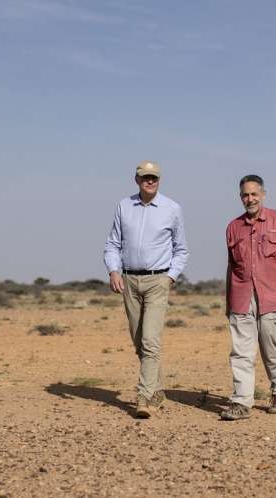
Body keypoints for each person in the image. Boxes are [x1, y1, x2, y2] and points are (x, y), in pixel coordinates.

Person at [104, 161, 189, 418]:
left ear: (159, 180)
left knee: (151, 340)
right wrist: (114, 270)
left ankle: (143, 396)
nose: (149, 181)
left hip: (157, 281)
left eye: (153, 177)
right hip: (129, 281)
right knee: (140, 343)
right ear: (136, 179)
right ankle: (157, 389)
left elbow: (181, 249)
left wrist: (170, 277)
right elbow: (112, 243)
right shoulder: (123, 206)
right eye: (144, 177)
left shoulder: (172, 208)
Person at [221, 174, 276, 420]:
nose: (250, 199)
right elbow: (231, 265)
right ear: (240, 197)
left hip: (272, 296)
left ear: (263, 194)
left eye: (254, 194)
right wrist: (229, 299)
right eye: (245, 195)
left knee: (270, 348)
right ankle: (242, 402)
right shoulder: (233, 227)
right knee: (241, 351)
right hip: (241, 296)